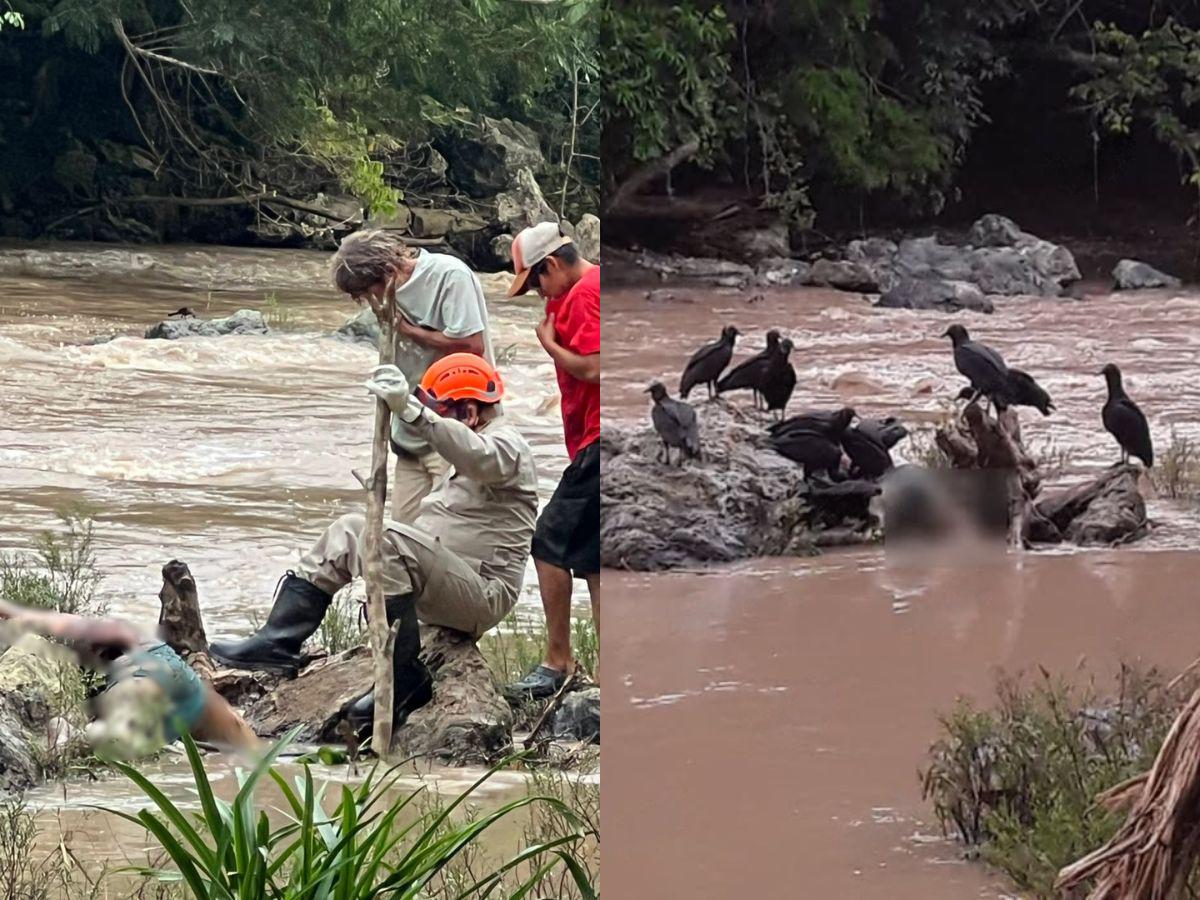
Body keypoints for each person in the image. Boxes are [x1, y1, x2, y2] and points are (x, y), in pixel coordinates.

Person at [210, 353, 538, 731]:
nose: (435, 420)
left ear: (468, 413)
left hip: (480, 593)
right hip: (449, 582)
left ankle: (402, 680)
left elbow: (478, 456)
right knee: (353, 528)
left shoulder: (507, 446)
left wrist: (413, 412)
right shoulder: (477, 440)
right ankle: (277, 641)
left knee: (382, 535)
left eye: (442, 411)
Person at [331, 230, 496, 523]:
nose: (368, 301)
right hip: (409, 432)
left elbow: (472, 345)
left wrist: (409, 331)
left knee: (450, 530)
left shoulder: (448, 276)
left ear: (390, 271)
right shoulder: (382, 295)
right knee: (401, 535)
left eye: (367, 292)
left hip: (456, 427)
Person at [503, 222, 600, 700]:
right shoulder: (588, 288)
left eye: (538, 281)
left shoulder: (584, 294)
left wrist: (549, 346)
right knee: (597, 562)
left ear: (554, 265)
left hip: (600, 440)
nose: (539, 294)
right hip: (595, 439)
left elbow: (595, 367)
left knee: (548, 543)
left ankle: (558, 661)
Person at [0, 598, 259, 758]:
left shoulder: (97, 649)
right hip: (180, 678)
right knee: (242, 745)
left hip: (140, 681)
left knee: (72, 737)